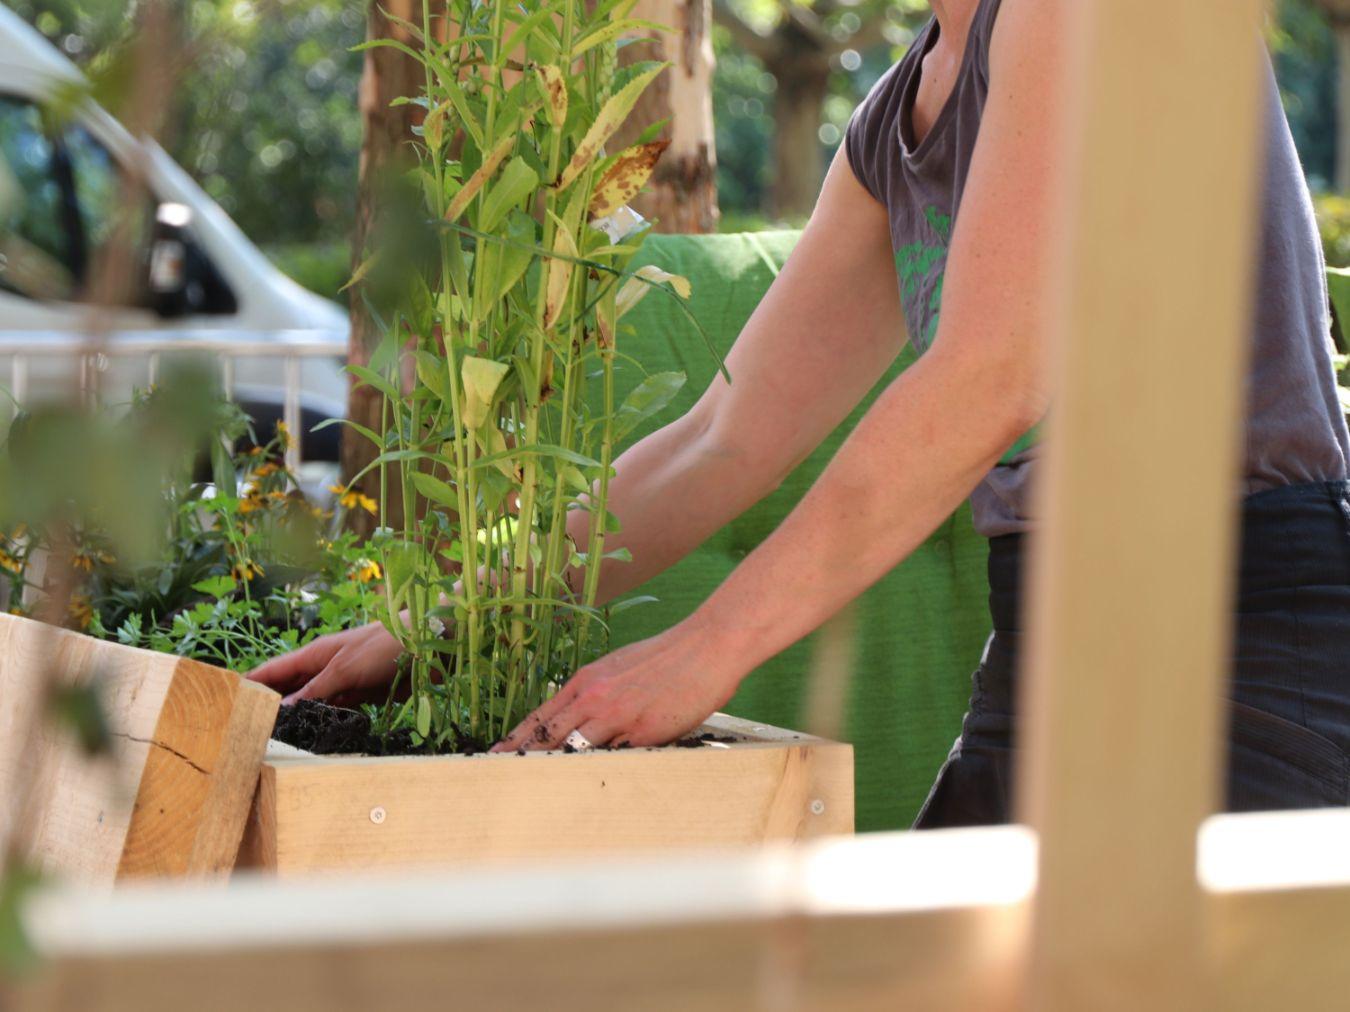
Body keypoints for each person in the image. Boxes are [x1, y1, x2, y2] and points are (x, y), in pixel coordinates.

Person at [251, 0, 1350, 826]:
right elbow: (721, 438)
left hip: (1234, 639)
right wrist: (439, 623)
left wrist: (706, 648)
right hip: (1048, 637)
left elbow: (989, 374)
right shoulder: (898, 121)